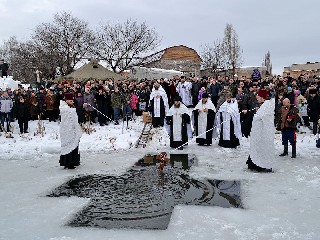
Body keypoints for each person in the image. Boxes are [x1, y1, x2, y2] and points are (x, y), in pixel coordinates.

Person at [246, 90, 274, 172]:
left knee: (262, 149)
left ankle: (262, 165)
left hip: (263, 133)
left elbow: (263, 117)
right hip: (258, 133)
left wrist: (257, 113)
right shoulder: (264, 105)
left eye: (258, 97)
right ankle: (254, 164)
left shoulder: (267, 105)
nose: (257, 98)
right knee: (256, 148)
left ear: (262, 97)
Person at [59, 92, 82, 169]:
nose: (72, 102)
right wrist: (81, 107)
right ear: (66, 100)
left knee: (74, 145)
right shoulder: (65, 108)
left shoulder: (69, 107)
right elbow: (71, 112)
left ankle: (73, 162)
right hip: (67, 129)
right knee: (68, 145)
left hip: (72, 129)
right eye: (70, 101)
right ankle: (68, 163)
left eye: (72, 100)